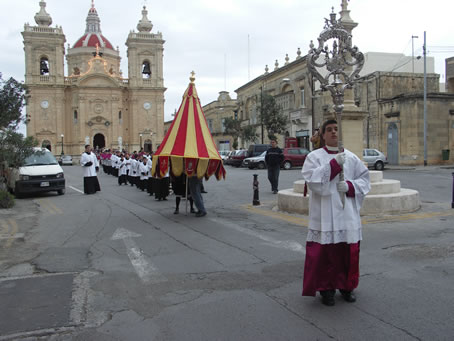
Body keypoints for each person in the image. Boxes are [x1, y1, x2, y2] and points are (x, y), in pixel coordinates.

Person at [301, 119, 371, 306]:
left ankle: (347, 287)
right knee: (326, 254)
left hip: (347, 212)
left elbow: (365, 179)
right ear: (323, 135)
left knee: (348, 252)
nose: (333, 133)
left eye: (336, 129)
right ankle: (327, 289)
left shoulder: (351, 157)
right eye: (329, 130)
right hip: (324, 213)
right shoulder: (314, 157)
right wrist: (333, 165)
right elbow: (313, 180)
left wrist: (349, 186)